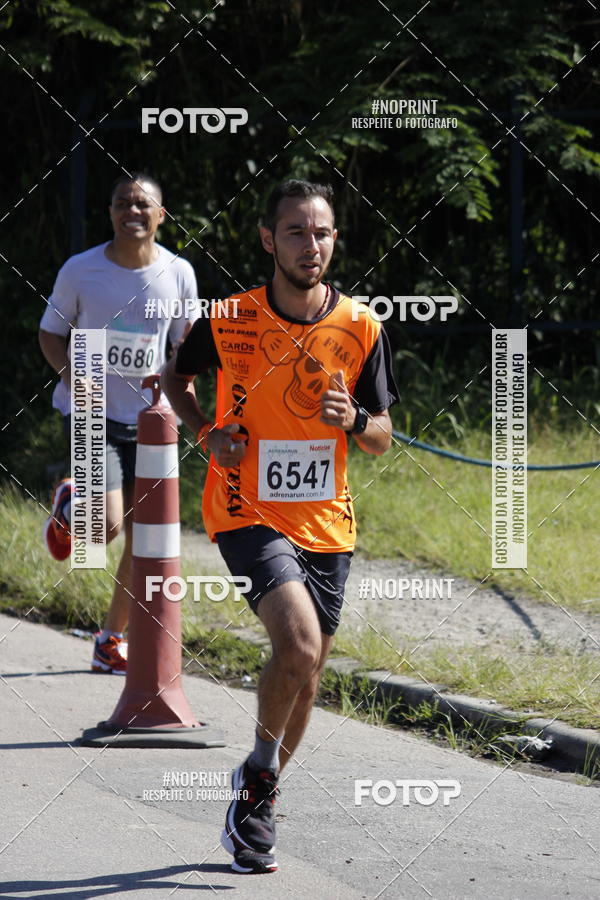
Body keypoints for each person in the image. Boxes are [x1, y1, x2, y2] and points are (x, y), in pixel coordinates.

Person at [163, 178, 399, 874]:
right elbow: (176, 379)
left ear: (335, 241)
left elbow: (383, 434)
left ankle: (256, 794)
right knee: (296, 646)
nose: (311, 244)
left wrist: (353, 420)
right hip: (244, 508)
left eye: (322, 232)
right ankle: (261, 777)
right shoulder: (229, 317)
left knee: (310, 671)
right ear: (269, 240)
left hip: (327, 522)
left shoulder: (360, 327)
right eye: (295, 231)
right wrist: (207, 431)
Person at [39, 172, 199, 674]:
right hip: (91, 412)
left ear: (160, 215)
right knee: (104, 525)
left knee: (144, 538)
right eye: (121, 203)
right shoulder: (81, 270)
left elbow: (184, 348)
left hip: (152, 420)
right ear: (109, 213)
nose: (132, 211)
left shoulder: (178, 272)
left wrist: (186, 402)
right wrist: (74, 376)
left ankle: (110, 640)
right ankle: (70, 505)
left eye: (142, 204)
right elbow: (50, 335)